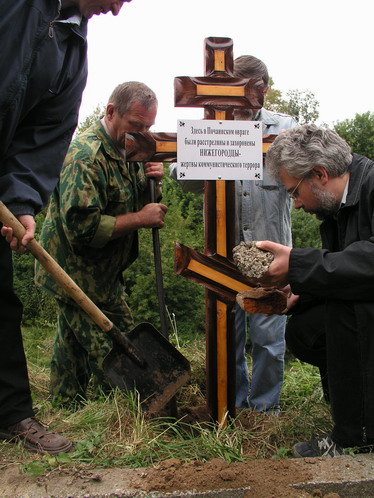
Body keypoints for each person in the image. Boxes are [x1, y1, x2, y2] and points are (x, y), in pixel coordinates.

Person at [0, 0, 133, 454]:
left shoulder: (72, 47)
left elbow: (43, 135)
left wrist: (20, 201)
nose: (116, 10)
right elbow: (81, 224)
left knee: (1, 301)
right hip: (79, 258)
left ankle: (12, 416)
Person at [170, 55, 298, 412]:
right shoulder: (212, 127)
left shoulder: (285, 130)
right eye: (231, 99)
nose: (236, 107)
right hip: (223, 256)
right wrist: (212, 151)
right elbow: (186, 178)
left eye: (244, 98)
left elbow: (306, 174)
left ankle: (264, 411)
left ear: (263, 91)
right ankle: (235, 407)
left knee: (269, 339)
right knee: (229, 335)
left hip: (270, 256)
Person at [35, 81, 167, 407]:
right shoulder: (85, 157)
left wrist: (154, 183)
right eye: (136, 125)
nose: (142, 133)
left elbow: (139, 201)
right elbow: (83, 227)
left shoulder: (130, 151)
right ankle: (122, 411)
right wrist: (142, 218)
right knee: (113, 346)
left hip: (105, 274)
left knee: (72, 340)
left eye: (148, 127)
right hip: (73, 273)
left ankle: (65, 406)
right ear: (111, 112)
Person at [253, 124, 374, 457]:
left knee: (346, 309)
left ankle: (356, 438)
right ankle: (354, 409)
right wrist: (301, 291)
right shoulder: (337, 206)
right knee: (307, 327)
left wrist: (296, 263)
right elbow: (345, 268)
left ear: (319, 174)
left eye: (294, 192)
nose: (295, 204)